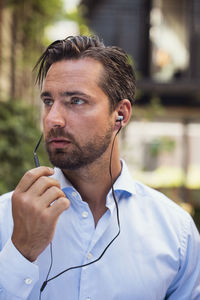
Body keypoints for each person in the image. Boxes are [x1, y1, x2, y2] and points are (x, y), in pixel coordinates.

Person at [0, 35, 200, 300]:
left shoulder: (177, 231)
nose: (53, 119)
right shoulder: (6, 218)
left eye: (76, 101)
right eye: (48, 102)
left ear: (121, 115)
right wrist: (21, 252)